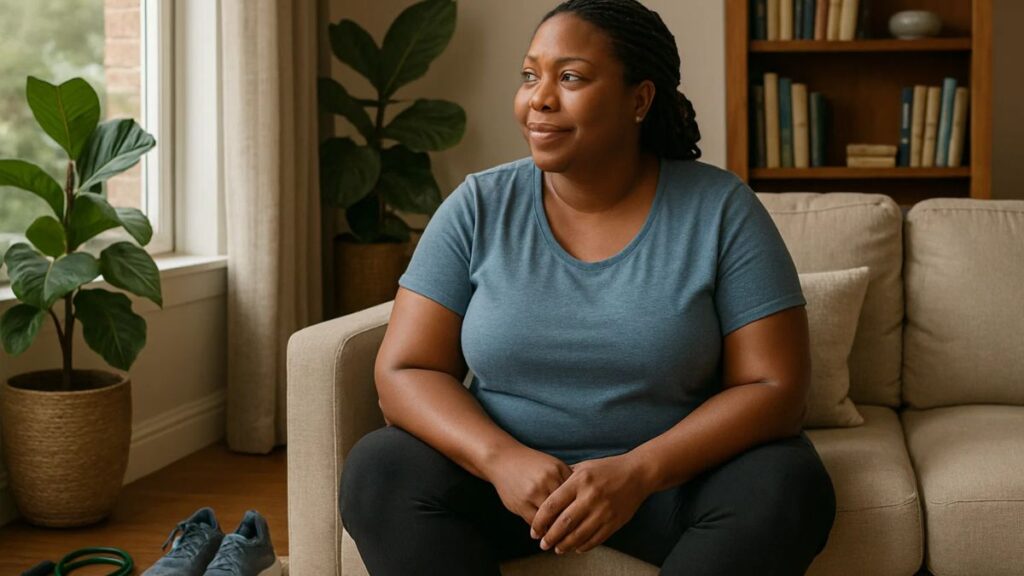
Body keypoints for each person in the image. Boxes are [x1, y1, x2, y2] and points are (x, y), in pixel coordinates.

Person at [339, 0, 836, 574]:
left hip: (671, 488)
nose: (539, 99)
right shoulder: (479, 205)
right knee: (379, 470)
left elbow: (775, 387)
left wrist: (637, 472)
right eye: (531, 76)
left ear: (639, 100)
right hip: (506, 488)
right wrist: (501, 460)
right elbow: (404, 371)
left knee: (790, 485)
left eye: (570, 77)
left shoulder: (721, 210)